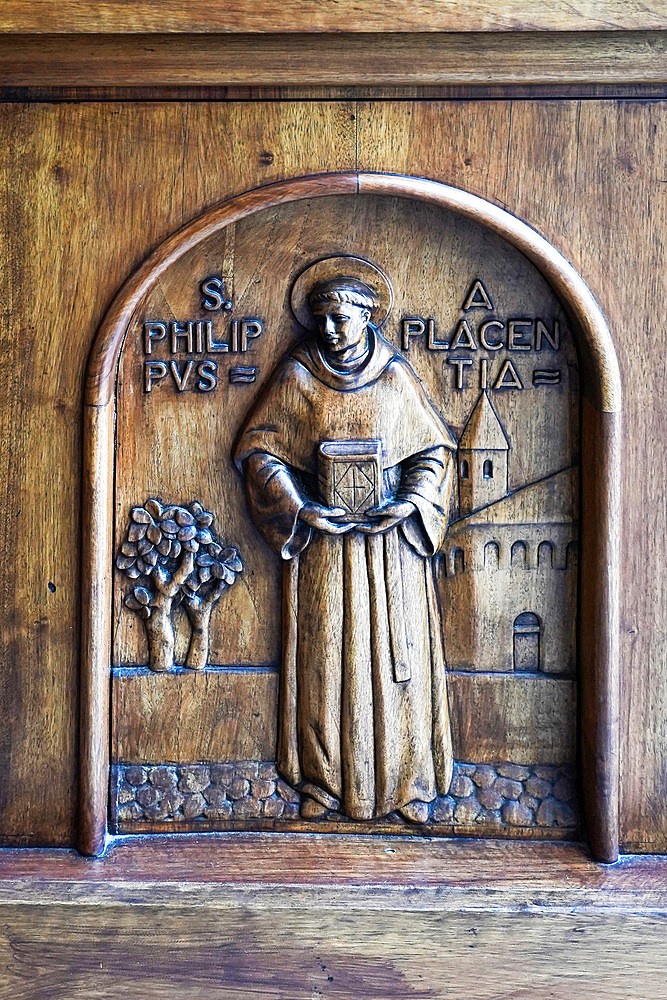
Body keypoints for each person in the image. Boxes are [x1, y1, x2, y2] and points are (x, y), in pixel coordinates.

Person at [234, 273, 456, 823]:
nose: (331, 329)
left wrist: (410, 503)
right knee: (325, 660)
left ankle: (409, 786)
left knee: (396, 661)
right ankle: (324, 784)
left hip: (391, 549)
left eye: (342, 316)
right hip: (325, 549)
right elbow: (260, 453)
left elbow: (433, 453)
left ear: (367, 315)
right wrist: (300, 507)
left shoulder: (396, 377)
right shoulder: (297, 377)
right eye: (322, 319)